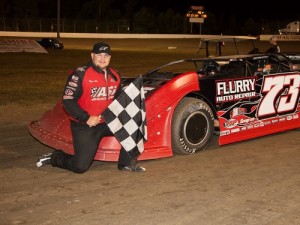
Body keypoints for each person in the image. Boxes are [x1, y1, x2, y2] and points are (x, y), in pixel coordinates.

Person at [36, 42, 145, 173]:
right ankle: (55, 157)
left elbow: (119, 98)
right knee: (80, 167)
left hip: (108, 121)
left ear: (110, 57)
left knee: (134, 125)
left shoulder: (115, 75)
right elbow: (68, 101)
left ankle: (126, 163)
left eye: (106, 55)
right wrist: (86, 118)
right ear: (92, 55)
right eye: (99, 55)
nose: (103, 58)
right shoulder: (79, 74)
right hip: (85, 125)